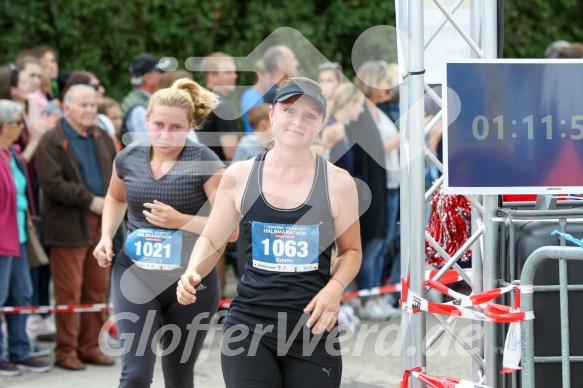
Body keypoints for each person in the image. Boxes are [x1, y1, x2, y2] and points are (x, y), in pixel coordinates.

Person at [177, 77, 362, 388]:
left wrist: (335, 288)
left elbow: (351, 251)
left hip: (312, 330)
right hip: (248, 328)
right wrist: (193, 271)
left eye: (310, 115)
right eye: (289, 110)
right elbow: (212, 237)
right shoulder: (240, 175)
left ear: (321, 124)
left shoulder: (338, 182)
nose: (297, 121)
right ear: (272, 114)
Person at [93, 78, 235, 387]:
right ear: (146, 120)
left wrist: (181, 220)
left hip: (190, 280)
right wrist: (106, 237)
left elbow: (232, 230)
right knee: (135, 375)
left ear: (190, 126)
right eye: (158, 124)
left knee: (179, 378)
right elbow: (116, 198)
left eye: (175, 127)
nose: (165, 134)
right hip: (135, 274)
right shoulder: (128, 157)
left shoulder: (206, 163)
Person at [35, 85, 117, 371]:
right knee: (69, 293)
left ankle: (90, 346)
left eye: (93, 106)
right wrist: (89, 201)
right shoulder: (52, 140)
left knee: (97, 290)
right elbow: (52, 184)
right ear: (66, 107)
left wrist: (109, 201)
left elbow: (117, 174)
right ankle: (66, 350)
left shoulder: (102, 136)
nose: (89, 110)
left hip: (102, 224)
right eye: (83, 105)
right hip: (69, 226)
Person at [0, 99, 52, 376]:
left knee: (22, 293)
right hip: (1, 238)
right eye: (19, 123)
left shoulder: (12, 154)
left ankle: (20, 351)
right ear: (6, 126)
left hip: (19, 235)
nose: (23, 128)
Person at [197, 52, 239, 163]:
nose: (234, 76)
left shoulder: (196, 100)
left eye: (234, 72)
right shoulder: (222, 105)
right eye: (228, 72)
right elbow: (231, 152)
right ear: (212, 76)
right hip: (219, 172)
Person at [321, 82, 365, 175]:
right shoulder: (333, 129)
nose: (362, 110)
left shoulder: (342, 127)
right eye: (360, 105)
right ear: (351, 104)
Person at [121, 52, 163, 136]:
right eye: (160, 72)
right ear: (148, 78)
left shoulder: (139, 100)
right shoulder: (138, 109)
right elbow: (146, 144)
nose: (163, 76)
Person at [240, 59, 272, 133]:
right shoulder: (249, 96)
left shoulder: (268, 94)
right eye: (267, 75)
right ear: (259, 75)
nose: (270, 80)